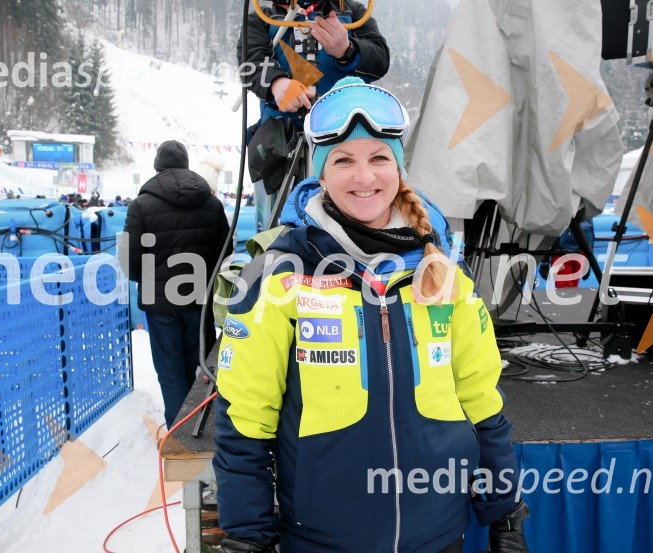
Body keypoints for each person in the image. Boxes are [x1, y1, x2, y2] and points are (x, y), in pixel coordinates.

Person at [213, 78, 529, 553]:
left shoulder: (443, 271)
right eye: (343, 161)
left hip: (439, 535)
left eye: (379, 158)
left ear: (398, 168)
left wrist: (505, 513)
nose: (364, 178)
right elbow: (244, 422)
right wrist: (247, 537)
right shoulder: (280, 274)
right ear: (321, 174)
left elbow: (481, 401)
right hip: (322, 542)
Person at [240, 0, 390, 233]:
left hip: (341, 137)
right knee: (276, 227)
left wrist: (347, 49)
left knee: (347, 221)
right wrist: (275, 83)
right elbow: (249, 60)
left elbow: (380, 61)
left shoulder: (353, 14)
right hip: (280, 145)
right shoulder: (262, 18)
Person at [121, 140, 232, 428]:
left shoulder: (140, 205)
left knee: (171, 372)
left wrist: (148, 280)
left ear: (157, 166)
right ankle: (202, 428)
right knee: (203, 367)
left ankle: (178, 435)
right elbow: (226, 252)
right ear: (186, 164)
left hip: (160, 305)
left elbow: (128, 259)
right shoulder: (212, 204)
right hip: (200, 301)